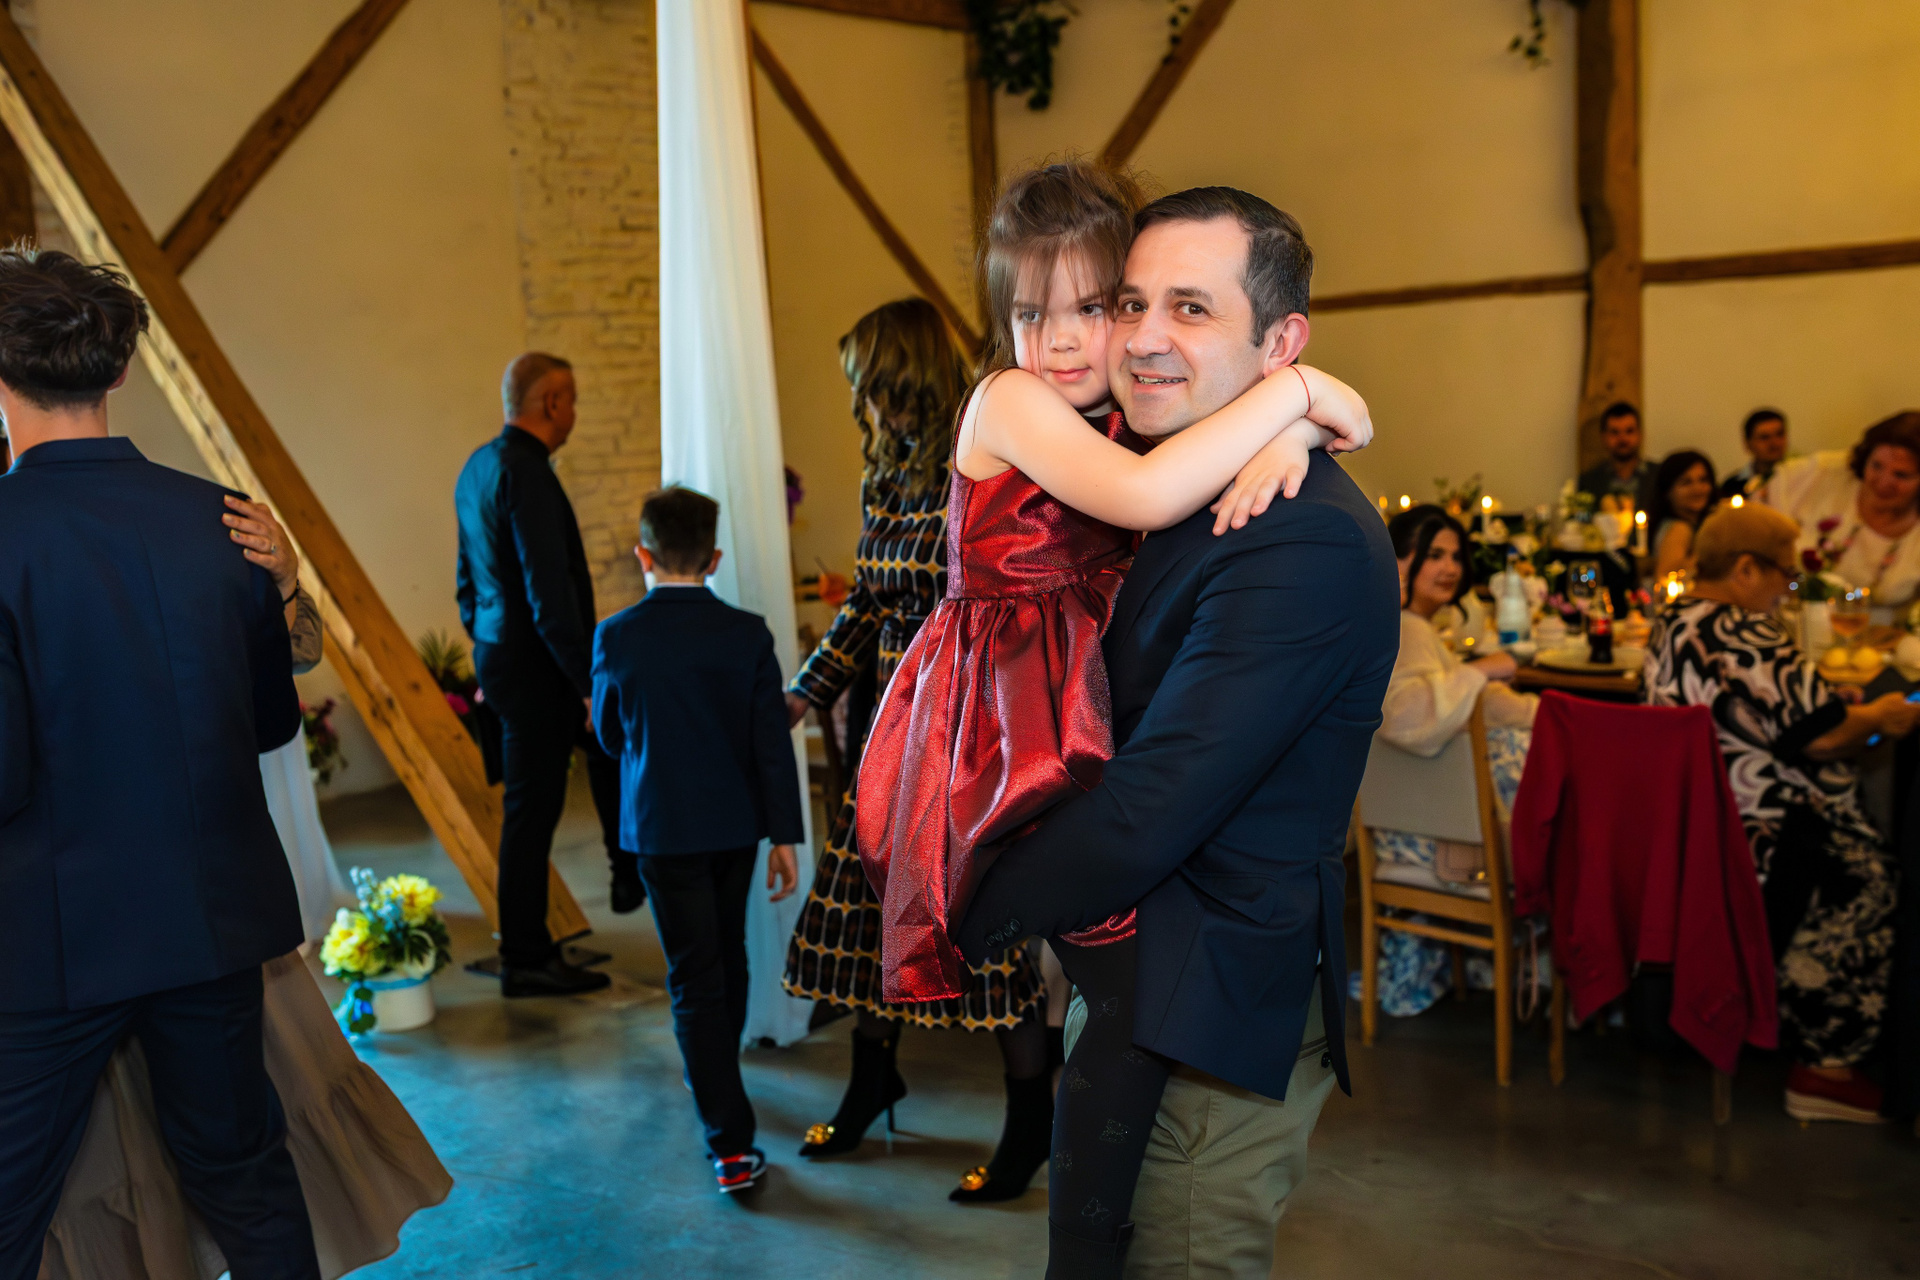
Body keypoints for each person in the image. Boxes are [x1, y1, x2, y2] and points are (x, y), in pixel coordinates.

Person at [936, 180, 1392, 1277]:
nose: (1140, 338)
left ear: (1280, 341)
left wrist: (966, 902)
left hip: (1204, 1000)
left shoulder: (1301, 537)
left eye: (1190, 308)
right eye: (1130, 303)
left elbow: (1150, 811)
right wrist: (1294, 413)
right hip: (1134, 959)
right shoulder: (1179, 470)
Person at [0, 249, 318, 1277]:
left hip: (49, 940)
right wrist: (287, 589)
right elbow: (267, 723)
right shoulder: (224, 522)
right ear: (121, 369)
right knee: (246, 1180)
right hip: (210, 921)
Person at [779, 299, 1066, 1201]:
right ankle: (873, 1081)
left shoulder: (977, 462)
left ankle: (1032, 1123)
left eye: (868, 385)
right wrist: (801, 692)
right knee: (877, 921)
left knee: (983, 939)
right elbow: (866, 603)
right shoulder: (889, 474)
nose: (863, 405)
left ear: (900, 377)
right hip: (891, 734)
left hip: (964, 734)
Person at [1644, 504, 1905, 1123]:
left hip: (1688, 830)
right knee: (1872, 872)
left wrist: (1828, 705)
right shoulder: (1748, 631)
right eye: (1785, 576)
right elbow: (1824, 736)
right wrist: (1882, 715)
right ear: (1744, 570)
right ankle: (1826, 1064)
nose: (1788, 592)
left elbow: (1767, 709)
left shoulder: (1671, 620)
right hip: (1758, 836)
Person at [592, 487, 804, 1194]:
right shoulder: (748, 634)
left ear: (642, 555)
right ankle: (715, 1068)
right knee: (728, 953)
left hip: (660, 829)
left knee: (691, 973)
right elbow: (770, 743)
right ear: (714, 559)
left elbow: (609, 737)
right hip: (734, 826)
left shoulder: (616, 636)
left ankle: (729, 1143)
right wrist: (785, 836)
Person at [455, 352, 625, 998]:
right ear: (552, 403)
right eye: (571, 399)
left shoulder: (477, 467)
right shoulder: (527, 474)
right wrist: (586, 682)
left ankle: (622, 874)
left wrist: (486, 644)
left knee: (577, 774)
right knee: (533, 810)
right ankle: (525, 956)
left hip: (501, 655)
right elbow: (549, 593)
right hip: (538, 666)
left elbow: (467, 583)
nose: (574, 411)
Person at [1363, 506, 1537, 1016]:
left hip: (1409, 816)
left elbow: (1468, 704)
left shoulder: (1408, 627)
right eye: (1434, 555)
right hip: (1426, 829)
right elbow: (1409, 713)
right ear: (1398, 561)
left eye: (1456, 556)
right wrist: (1485, 669)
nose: (1450, 568)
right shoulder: (1407, 628)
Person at [223, 496, 350, 944]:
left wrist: (289, 580)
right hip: (244, 720)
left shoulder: (237, 528)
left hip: (256, 716)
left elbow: (303, 648)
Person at [1763, 411, 1920, 624]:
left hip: (1884, 641)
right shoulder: (1827, 476)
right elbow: (1767, 497)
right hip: (1797, 627)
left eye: (1901, 475)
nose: (1884, 482)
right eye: (1876, 466)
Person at [1646, 449, 1718, 581]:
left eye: (1703, 480)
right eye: (1686, 482)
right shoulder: (1679, 529)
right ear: (1667, 491)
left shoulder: (1692, 525)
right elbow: (1665, 577)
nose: (1697, 489)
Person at [1577, 401, 1658, 514]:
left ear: (1640, 434)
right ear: (1604, 437)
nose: (1622, 438)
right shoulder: (1589, 481)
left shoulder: (1659, 476)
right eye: (1615, 432)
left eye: (1629, 431)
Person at [1719, 408, 1788, 501]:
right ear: (1748, 444)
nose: (1774, 443)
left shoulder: (1799, 478)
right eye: (1764, 437)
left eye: (1779, 434)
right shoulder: (1732, 486)